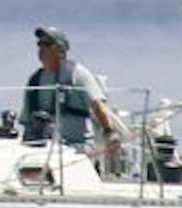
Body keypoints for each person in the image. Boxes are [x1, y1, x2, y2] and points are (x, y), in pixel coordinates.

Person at [20, 26, 123, 163]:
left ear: (61, 51)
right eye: (40, 44)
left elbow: (98, 105)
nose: (42, 49)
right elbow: (27, 119)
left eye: (47, 44)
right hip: (43, 150)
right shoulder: (35, 80)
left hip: (76, 149)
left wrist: (110, 133)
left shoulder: (78, 75)